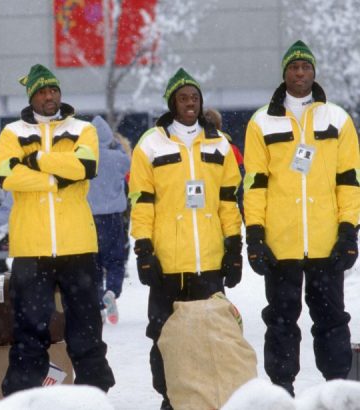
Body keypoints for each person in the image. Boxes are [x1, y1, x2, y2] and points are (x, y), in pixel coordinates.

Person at [243, 40, 360, 396]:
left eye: (306, 67)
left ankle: (338, 389)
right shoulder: (261, 122)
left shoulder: (336, 118)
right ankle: (282, 391)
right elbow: (254, 185)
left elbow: (349, 181)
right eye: (294, 67)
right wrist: (256, 236)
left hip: (326, 243)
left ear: (314, 72)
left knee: (332, 322)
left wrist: (348, 232)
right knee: (280, 323)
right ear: (285, 73)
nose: (300, 73)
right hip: (281, 245)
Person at [0, 64, 115, 395]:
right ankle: (21, 397)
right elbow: (6, 176)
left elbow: (86, 167)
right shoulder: (12, 133)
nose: (49, 96)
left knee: (87, 330)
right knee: (29, 331)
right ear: (32, 96)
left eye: (53, 90)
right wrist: (57, 178)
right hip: (30, 248)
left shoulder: (83, 129)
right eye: (42, 91)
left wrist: (35, 160)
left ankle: (96, 394)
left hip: (77, 245)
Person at [129, 68, 243, 410]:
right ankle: (170, 397)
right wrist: (144, 248)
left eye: (194, 98)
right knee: (165, 336)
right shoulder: (150, 143)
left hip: (208, 261)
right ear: (172, 103)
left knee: (212, 337)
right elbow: (142, 202)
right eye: (183, 98)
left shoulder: (220, 144)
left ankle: (207, 397)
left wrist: (234, 247)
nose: (189, 103)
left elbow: (227, 201)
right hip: (167, 262)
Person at [87, 115, 130, 325]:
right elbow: (127, 163)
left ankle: (97, 305)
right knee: (115, 261)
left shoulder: (86, 159)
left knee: (92, 265)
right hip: (113, 217)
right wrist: (117, 147)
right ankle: (112, 291)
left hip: (89, 218)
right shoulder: (117, 157)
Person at [204, 108, 245, 218]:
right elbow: (241, 179)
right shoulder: (231, 148)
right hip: (229, 204)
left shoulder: (194, 149)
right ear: (220, 125)